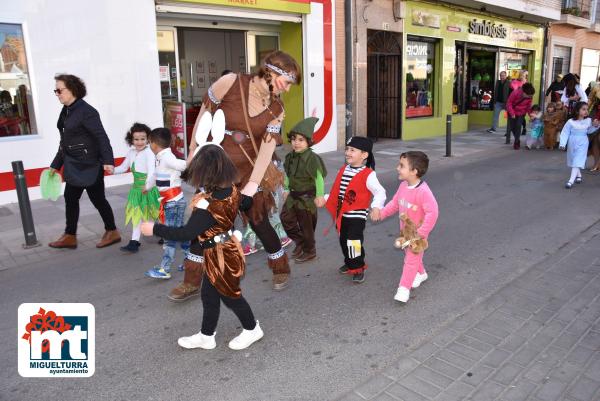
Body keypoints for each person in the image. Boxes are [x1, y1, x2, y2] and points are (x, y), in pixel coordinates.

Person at [187, 50, 301, 291]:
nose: (287, 90)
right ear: (271, 73)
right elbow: (203, 119)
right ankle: (190, 281)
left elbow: (267, 149)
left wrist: (252, 185)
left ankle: (281, 268)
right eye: (287, 83)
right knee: (203, 223)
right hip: (215, 169)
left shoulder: (277, 109)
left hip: (249, 170)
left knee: (259, 221)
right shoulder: (229, 83)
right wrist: (192, 155)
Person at [141, 145, 263, 350]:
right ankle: (207, 336)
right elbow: (245, 202)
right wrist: (253, 188)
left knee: (231, 296)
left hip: (221, 256)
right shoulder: (231, 190)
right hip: (222, 250)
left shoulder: (209, 206)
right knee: (209, 294)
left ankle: (252, 329)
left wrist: (155, 228)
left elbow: (186, 234)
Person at [48, 74, 121, 249]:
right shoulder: (66, 110)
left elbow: (101, 136)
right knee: (70, 197)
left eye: (60, 90)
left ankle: (112, 231)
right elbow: (64, 141)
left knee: (98, 199)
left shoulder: (87, 111)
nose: (57, 93)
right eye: (55, 90)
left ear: (72, 90)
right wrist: (55, 164)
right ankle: (70, 235)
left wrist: (108, 160)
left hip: (90, 164)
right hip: (73, 164)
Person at [372, 151, 438, 303]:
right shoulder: (403, 186)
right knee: (409, 254)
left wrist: (420, 234)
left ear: (414, 171)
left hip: (418, 235)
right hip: (405, 231)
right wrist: (381, 214)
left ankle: (403, 288)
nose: (397, 168)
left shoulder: (423, 192)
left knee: (411, 259)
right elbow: (395, 203)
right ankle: (421, 273)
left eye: (402, 166)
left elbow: (433, 213)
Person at [322, 137, 386, 284]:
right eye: (347, 149)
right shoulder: (343, 170)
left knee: (354, 242)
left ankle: (358, 267)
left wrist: (376, 207)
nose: (348, 152)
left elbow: (380, 192)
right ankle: (350, 261)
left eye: (352, 150)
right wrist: (325, 198)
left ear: (364, 155)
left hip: (356, 216)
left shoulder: (368, 174)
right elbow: (338, 192)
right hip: (342, 214)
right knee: (344, 240)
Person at [280, 117, 327, 263]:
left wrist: (320, 195)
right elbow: (287, 174)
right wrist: (286, 188)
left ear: (308, 141)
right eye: (294, 139)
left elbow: (318, 178)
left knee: (307, 226)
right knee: (285, 218)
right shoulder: (289, 157)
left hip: (307, 198)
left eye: (301, 140)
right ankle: (300, 242)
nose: (296, 143)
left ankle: (310, 251)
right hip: (293, 195)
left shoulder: (313, 158)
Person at [144, 127, 190, 279]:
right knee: (180, 233)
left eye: (149, 142)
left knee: (170, 235)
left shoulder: (166, 158)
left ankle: (165, 269)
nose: (149, 145)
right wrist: (147, 187)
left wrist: (193, 162)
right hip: (170, 201)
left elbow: (182, 165)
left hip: (173, 201)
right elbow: (156, 175)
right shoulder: (160, 157)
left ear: (155, 144)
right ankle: (191, 261)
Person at [113, 123, 160, 253]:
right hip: (136, 190)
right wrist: (112, 169)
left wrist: (148, 186)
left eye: (143, 139)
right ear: (131, 140)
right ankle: (134, 242)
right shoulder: (131, 152)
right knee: (137, 215)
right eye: (136, 139)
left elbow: (152, 171)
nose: (139, 142)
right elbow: (123, 168)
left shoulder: (149, 152)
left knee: (156, 212)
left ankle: (165, 233)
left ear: (148, 139)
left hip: (148, 188)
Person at [559, 101, 600, 189]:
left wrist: (595, 126)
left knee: (578, 160)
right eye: (583, 109)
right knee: (574, 159)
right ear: (577, 111)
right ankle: (579, 176)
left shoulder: (588, 121)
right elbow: (565, 133)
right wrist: (562, 143)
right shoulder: (570, 122)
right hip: (572, 142)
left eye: (587, 109)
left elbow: (589, 131)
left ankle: (570, 181)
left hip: (583, 142)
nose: (586, 111)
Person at [506, 82, 535, 150]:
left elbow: (528, 106)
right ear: (524, 92)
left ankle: (516, 142)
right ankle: (518, 139)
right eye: (528, 95)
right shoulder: (515, 93)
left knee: (518, 126)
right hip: (512, 111)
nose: (529, 97)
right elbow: (509, 103)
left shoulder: (530, 96)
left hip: (521, 113)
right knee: (512, 127)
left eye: (530, 96)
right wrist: (512, 113)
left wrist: (530, 115)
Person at [509, 70, 529, 137]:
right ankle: (511, 130)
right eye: (522, 75)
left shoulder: (526, 83)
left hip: (523, 103)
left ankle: (524, 128)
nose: (523, 77)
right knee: (514, 119)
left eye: (524, 76)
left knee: (521, 118)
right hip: (515, 103)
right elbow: (512, 89)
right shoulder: (514, 82)